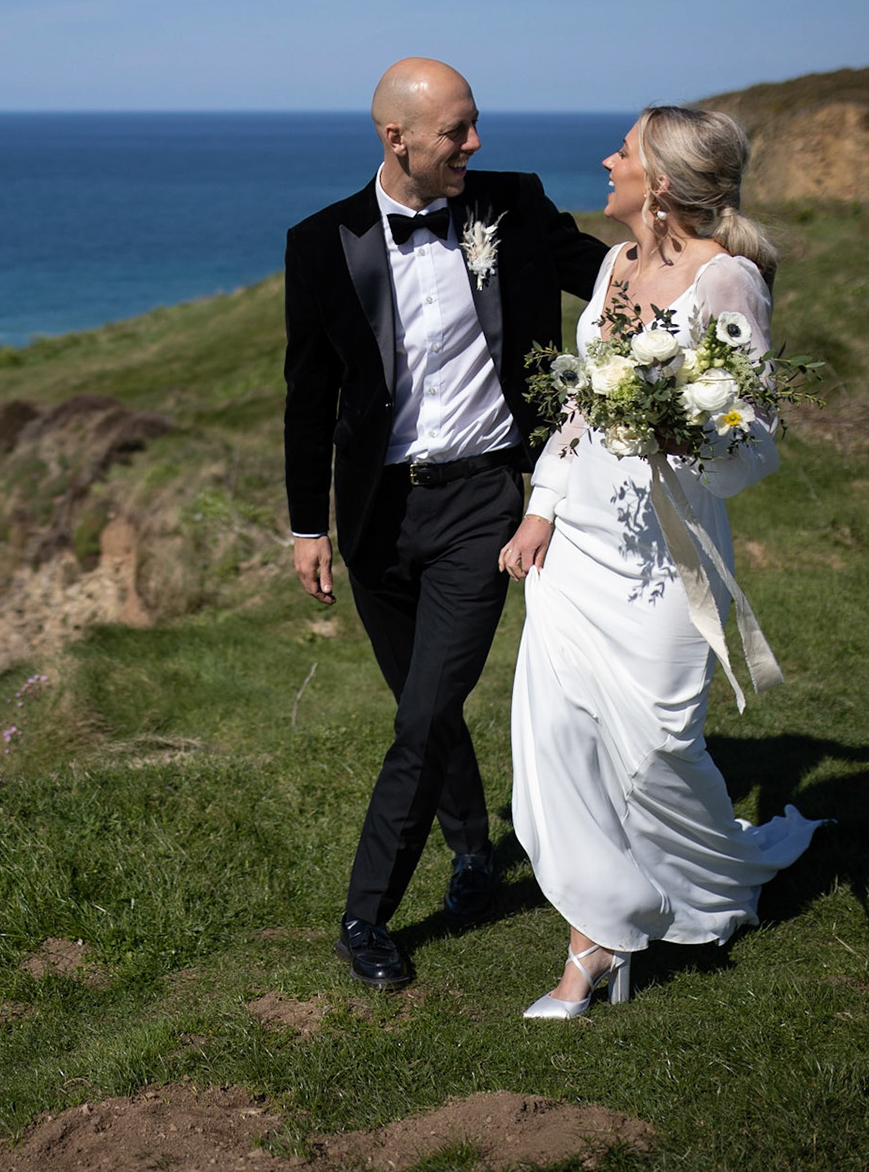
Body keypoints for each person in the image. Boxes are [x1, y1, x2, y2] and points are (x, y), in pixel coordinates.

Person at [284, 58, 610, 989]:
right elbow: (309, 396)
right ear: (399, 140)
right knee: (423, 706)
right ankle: (474, 852)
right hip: (377, 515)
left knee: (425, 712)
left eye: (474, 125)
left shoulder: (509, 203)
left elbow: (605, 276)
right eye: (456, 131)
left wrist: (698, 281)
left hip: (483, 503)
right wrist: (309, 525)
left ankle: (365, 915)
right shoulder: (320, 242)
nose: (475, 144)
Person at [499, 106, 825, 1019]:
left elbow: (755, 442)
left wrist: (677, 431)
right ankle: (596, 938)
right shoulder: (610, 266)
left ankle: (713, 881)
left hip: (663, 553)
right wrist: (540, 509)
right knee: (556, 745)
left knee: (656, 750)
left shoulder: (728, 282)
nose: (607, 159)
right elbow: (575, 410)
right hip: (576, 549)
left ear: (664, 183)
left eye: (625, 150)